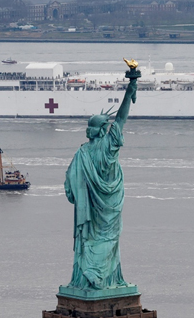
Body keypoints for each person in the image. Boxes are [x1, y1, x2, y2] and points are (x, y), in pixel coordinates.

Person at [63, 76, 137, 290]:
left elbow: (70, 187)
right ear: (104, 128)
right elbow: (121, 117)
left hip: (90, 208)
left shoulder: (81, 153)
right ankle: (107, 279)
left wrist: (78, 195)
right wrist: (130, 90)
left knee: (90, 238)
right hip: (111, 203)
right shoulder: (110, 144)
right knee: (110, 239)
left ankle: (86, 278)